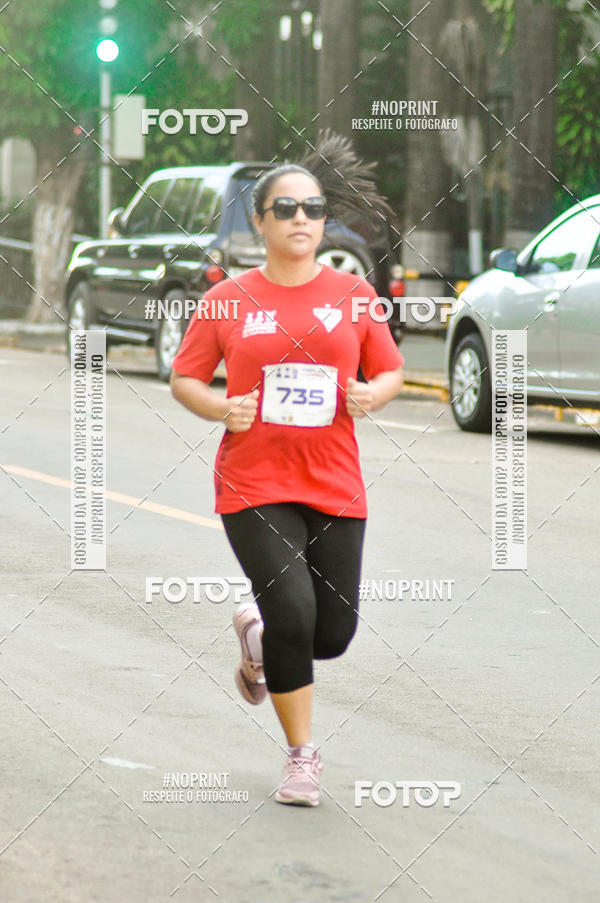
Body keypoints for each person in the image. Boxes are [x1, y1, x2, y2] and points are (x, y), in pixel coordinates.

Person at [170, 131, 404, 807]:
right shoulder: (228, 298)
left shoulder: (355, 294)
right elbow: (185, 379)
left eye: (313, 207)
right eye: (287, 208)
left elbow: (390, 368)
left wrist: (374, 393)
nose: (302, 218)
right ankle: (302, 756)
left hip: (334, 480)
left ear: (324, 219)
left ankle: (258, 635)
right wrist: (222, 407)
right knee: (296, 610)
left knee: (331, 633)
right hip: (254, 481)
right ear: (260, 220)